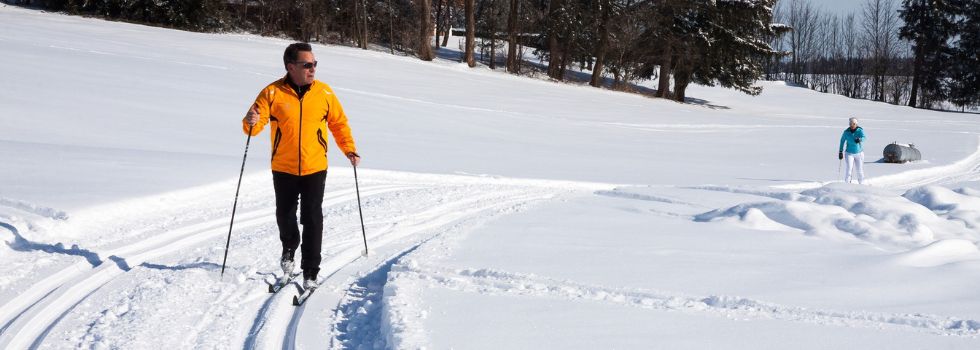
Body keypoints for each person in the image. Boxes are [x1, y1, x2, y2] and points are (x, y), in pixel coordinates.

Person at [242, 42, 360, 290]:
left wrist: (349, 148)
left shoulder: (324, 93)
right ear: (291, 67)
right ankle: (289, 249)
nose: (313, 69)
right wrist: (250, 120)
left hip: (314, 167)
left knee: (312, 217)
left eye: (314, 64)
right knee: (284, 216)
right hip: (283, 167)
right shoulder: (272, 93)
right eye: (307, 64)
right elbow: (255, 123)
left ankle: (310, 270)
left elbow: (339, 124)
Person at [838, 117, 866, 184]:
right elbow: (842, 141)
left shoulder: (860, 130)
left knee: (859, 170)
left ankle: (861, 183)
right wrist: (840, 151)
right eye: (850, 123)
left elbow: (864, 137)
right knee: (849, 169)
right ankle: (847, 183)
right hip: (849, 153)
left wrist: (860, 139)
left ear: (856, 124)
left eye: (853, 124)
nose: (852, 125)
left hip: (859, 153)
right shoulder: (846, 132)